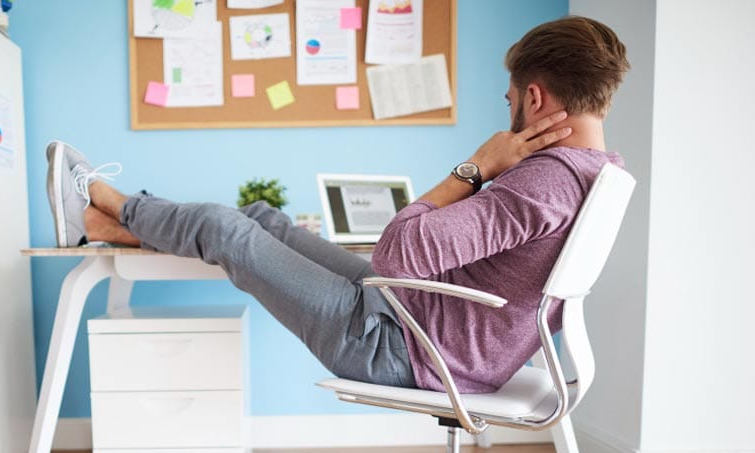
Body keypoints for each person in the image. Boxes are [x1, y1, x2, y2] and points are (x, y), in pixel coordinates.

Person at [45, 16, 630, 393]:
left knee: (229, 232)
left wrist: (475, 167)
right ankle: (112, 225)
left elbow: (397, 252)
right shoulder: (600, 173)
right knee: (262, 219)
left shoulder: (540, 183)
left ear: (534, 96)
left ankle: (108, 201)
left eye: (509, 99)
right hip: (421, 323)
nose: (506, 111)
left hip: (404, 348)